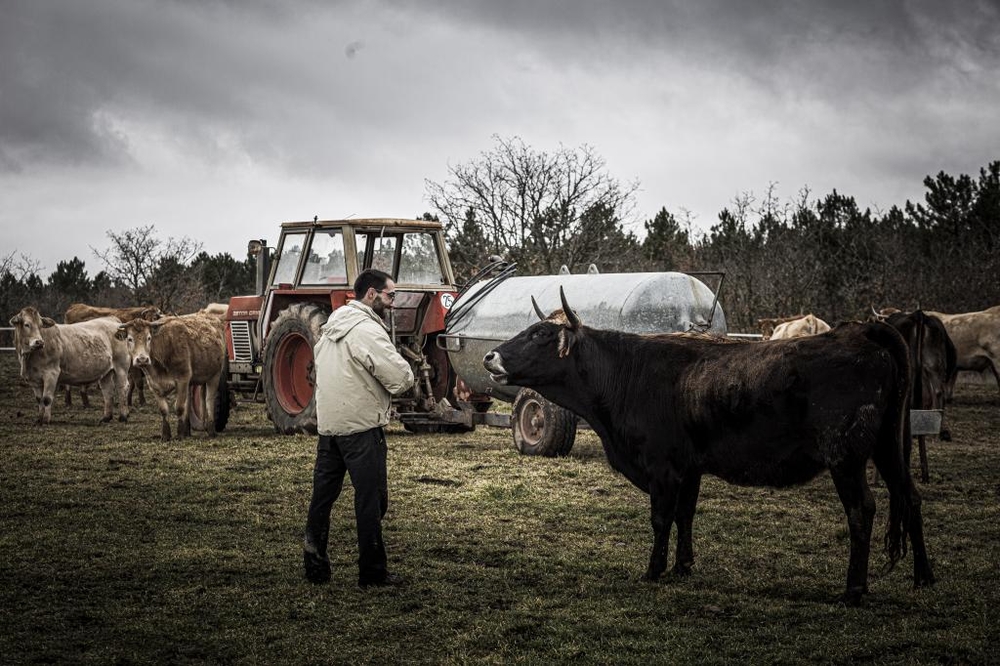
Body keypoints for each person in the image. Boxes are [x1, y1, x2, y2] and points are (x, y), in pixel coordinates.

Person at [303, 269, 415, 587]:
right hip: (362, 428)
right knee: (371, 500)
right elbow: (400, 378)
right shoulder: (366, 330)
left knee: (322, 498)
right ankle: (372, 572)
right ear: (371, 295)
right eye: (390, 295)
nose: (393, 302)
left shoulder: (330, 327)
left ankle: (315, 564)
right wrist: (408, 370)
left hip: (330, 428)